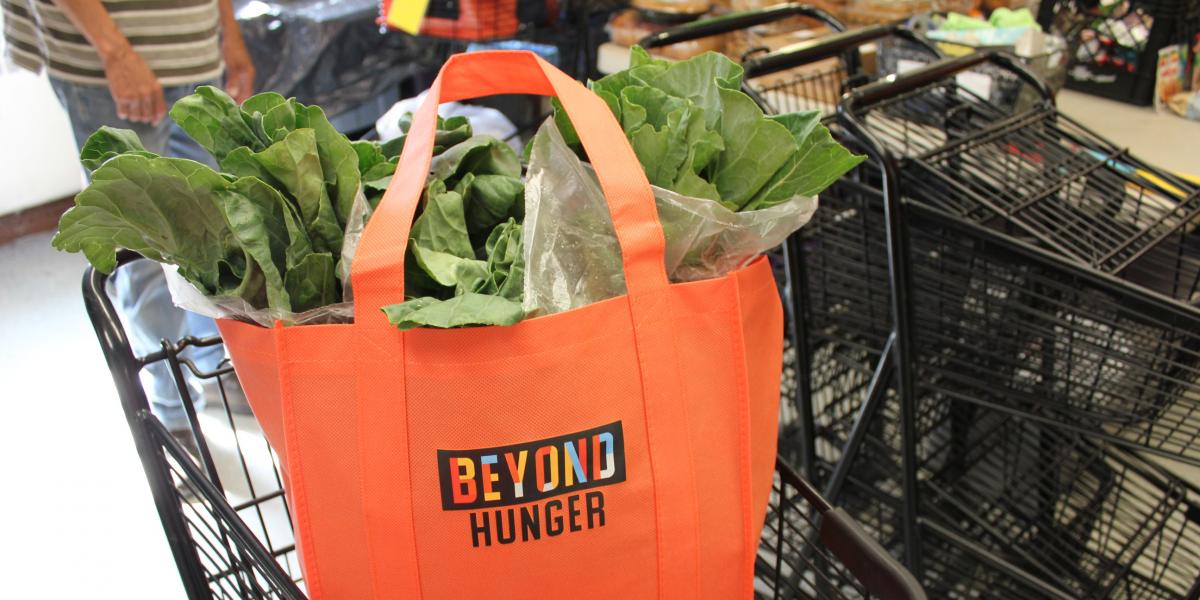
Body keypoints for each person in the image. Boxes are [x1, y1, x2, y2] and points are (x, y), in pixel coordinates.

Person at [4, 0, 255, 435]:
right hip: (106, 64)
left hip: (195, 48)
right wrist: (117, 54)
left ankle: (219, 367)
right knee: (143, 251)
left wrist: (227, 33)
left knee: (218, 234)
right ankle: (173, 412)